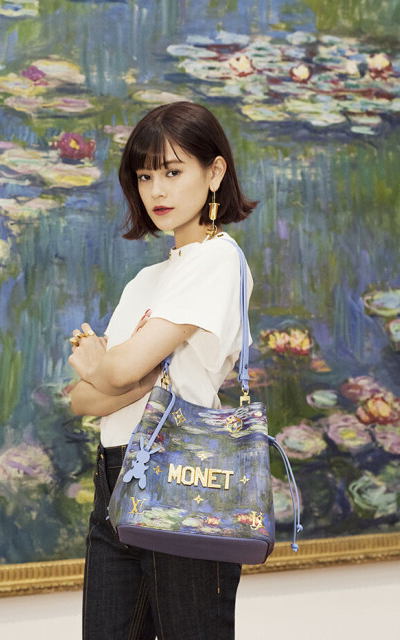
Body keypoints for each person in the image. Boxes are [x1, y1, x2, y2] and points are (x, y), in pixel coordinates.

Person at [67, 101, 257, 640]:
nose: (157, 191)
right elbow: (81, 399)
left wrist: (114, 368)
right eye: (145, 176)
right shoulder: (146, 281)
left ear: (214, 172)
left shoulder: (218, 259)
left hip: (184, 478)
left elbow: (115, 370)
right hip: (114, 479)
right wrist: (137, 378)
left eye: (173, 172)